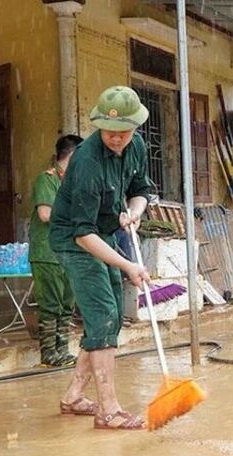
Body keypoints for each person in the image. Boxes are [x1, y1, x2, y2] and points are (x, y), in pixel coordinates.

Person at [50, 86, 152, 430]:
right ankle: (108, 410)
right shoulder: (87, 161)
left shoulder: (135, 146)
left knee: (108, 318)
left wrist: (134, 212)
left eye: (124, 131)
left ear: (135, 127)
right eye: (110, 132)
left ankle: (74, 395)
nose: (116, 138)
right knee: (104, 313)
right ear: (98, 126)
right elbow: (82, 233)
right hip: (74, 240)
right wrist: (127, 265)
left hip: (105, 233)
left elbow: (140, 190)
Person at [29, 135, 82, 367]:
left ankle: (63, 350)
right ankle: (48, 353)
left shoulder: (72, 182)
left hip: (69, 253)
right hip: (47, 252)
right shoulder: (46, 179)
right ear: (73, 155)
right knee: (50, 303)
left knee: (67, 302)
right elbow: (45, 214)